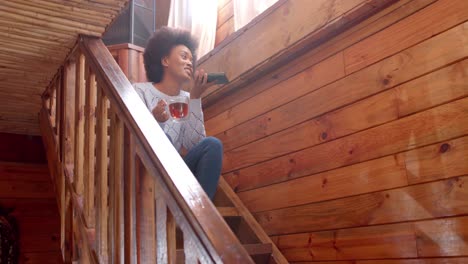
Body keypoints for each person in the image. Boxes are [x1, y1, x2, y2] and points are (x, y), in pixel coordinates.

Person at [133, 27, 222, 199]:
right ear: (165, 60)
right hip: (145, 171)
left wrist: (195, 98)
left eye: (191, 59)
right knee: (162, 140)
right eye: (183, 56)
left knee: (213, 145)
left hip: (176, 173)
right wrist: (155, 120)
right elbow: (135, 140)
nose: (190, 62)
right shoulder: (140, 91)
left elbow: (192, 143)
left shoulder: (186, 98)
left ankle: (202, 214)